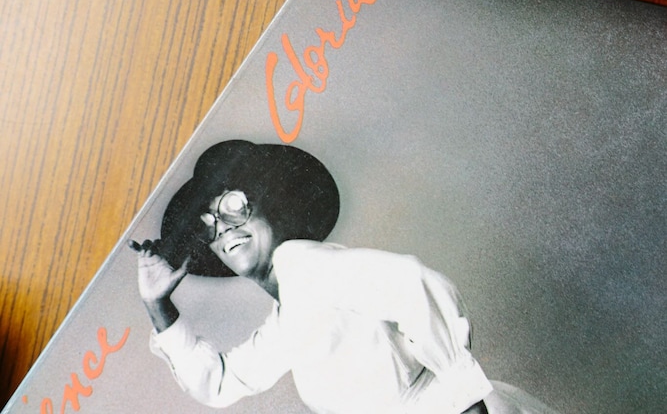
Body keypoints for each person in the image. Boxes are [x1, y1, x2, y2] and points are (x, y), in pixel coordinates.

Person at [129, 140, 560, 414]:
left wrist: (464, 395)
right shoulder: (290, 312)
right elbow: (222, 381)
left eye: (234, 206)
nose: (224, 229)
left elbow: (413, 284)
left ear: (271, 205)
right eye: (208, 224)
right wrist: (158, 305)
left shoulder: (307, 267)